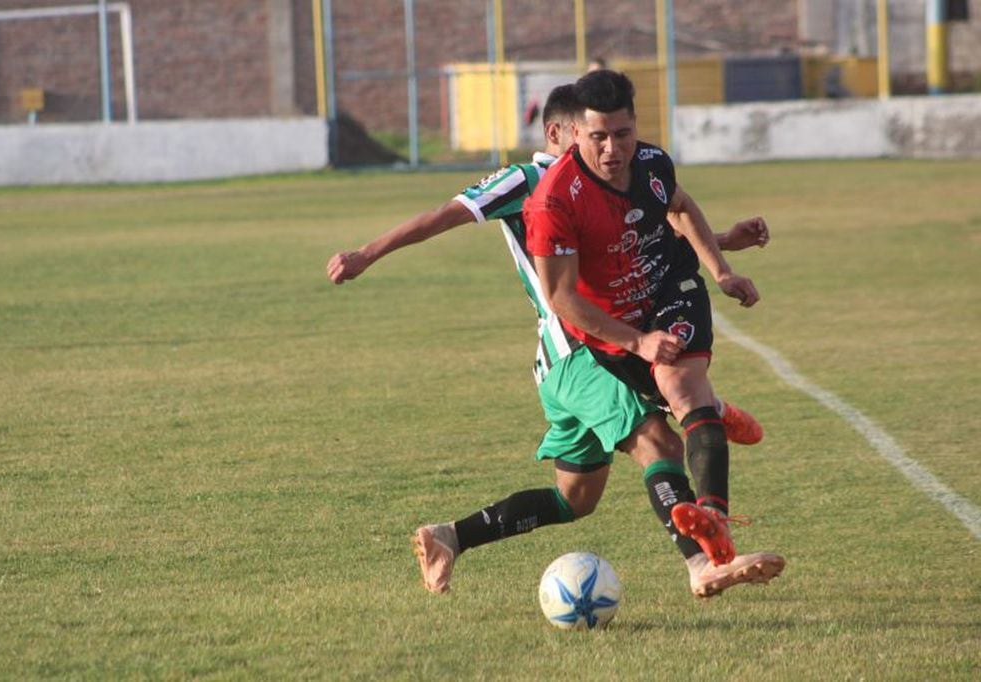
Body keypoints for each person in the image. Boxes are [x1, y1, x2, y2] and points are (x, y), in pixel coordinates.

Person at [327, 86, 778, 598]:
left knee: (575, 499)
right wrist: (366, 253)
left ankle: (448, 536)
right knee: (659, 442)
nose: (602, 151)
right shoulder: (531, 180)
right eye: (588, 137)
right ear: (559, 134)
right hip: (580, 354)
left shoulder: (611, 179)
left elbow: (635, 237)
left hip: (569, 359)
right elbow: (442, 216)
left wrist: (719, 242)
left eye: (614, 137)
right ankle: (702, 563)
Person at [523, 69, 785, 575]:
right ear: (575, 133)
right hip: (611, 329)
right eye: (598, 136)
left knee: (679, 384)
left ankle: (713, 516)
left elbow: (680, 207)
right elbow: (559, 296)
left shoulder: (651, 162)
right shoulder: (553, 201)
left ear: (635, 126)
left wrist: (722, 271)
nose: (612, 149)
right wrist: (637, 340)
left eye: (622, 134)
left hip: (670, 286)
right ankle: (717, 410)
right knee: (676, 394)